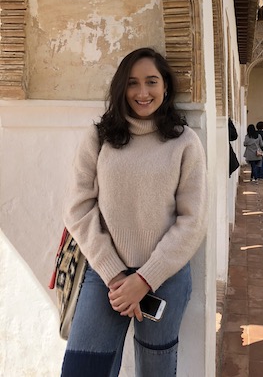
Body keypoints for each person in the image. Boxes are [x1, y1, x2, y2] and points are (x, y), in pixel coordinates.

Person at [61, 47, 208, 377]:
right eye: (132, 83)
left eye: (151, 82)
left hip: (165, 278)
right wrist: (116, 276)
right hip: (105, 276)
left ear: (166, 87)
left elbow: (192, 220)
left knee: (155, 370)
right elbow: (78, 208)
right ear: (121, 89)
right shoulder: (99, 138)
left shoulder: (184, 142)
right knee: (83, 369)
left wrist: (145, 278)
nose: (143, 92)